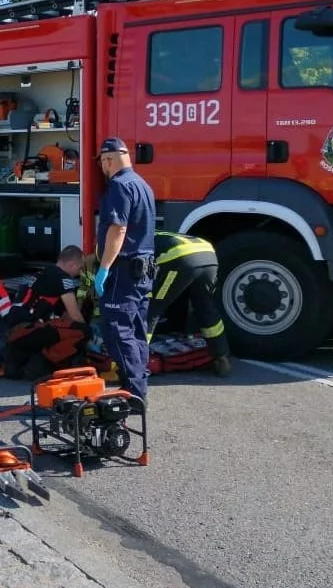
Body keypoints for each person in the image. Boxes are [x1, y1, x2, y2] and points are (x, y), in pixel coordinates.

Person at [92, 137, 157, 404]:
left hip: (123, 270)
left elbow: (118, 229)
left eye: (103, 162)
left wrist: (104, 267)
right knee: (137, 329)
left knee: (118, 329)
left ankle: (133, 392)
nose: (103, 168)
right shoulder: (142, 184)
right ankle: (139, 385)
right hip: (143, 270)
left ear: (108, 160)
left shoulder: (119, 187)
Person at [147, 232, 232, 377]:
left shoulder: (132, 242)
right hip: (208, 254)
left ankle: (135, 361)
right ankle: (221, 357)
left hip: (181, 258)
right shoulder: (156, 234)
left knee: (152, 310)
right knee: (205, 306)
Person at [2, 245, 93, 379]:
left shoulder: (42, 273)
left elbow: (62, 315)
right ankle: (46, 363)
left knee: (61, 327)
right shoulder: (63, 278)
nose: (79, 273)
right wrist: (89, 338)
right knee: (83, 330)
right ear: (72, 264)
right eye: (79, 268)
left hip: (16, 331)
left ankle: (38, 361)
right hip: (26, 330)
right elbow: (74, 315)